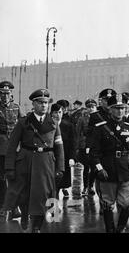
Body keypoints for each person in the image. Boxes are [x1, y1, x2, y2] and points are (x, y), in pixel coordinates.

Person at [3, 89, 64, 232]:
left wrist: (60, 167)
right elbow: (12, 147)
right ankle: (25, 216)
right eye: (41, 103)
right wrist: (9, 168)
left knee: (45, 195)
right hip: (26, 162)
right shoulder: (24, 122)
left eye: (46, 103)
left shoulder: (54, 123)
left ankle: (37, 226)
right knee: (24, 194)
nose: (44, 106)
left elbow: (59, 147)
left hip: (46, 163)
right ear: (34, 104)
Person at [90, 93, 129, 233]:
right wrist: (99, 169)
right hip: (107, 170)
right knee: (107, 203)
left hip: (125, 170)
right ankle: (110, 230)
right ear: (110, 110)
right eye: (116, 108)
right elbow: (94, 153)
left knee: (126, 202)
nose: (119, 111)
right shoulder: (100, 128)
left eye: (122, 108)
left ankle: (120, 228)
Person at [0, 81, 22, 221]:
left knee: (14, 178)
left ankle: (14, 206)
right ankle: (3, 205)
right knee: (2, 179)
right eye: (2, 94)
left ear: (11, 94)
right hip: (1, 148)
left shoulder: (16, 107)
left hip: (14, 148)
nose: (5, 96)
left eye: (7, 93)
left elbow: (23, 123)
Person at [50, 103, 77, 199]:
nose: (57, 115)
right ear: (51, 113)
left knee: (60, 181)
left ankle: (55, 203)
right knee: (52, 183)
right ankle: (54, 206)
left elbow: (73, 143)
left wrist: (72, 158)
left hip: (64, 157)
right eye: (55, 112)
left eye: (60, 112)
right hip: (51, 157)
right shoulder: (48, 125)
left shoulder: (68, 126)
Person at [76, 99, 98, 196]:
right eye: (89, 107)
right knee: (86, 167)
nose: (91, 109)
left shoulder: (99, 117)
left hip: (96, 145)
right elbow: (77, 132)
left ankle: (91, 186)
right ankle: (85, 187)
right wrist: (77, 147)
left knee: (94, 167)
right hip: (84, 145)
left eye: (92, 107)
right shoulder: (82, 118)